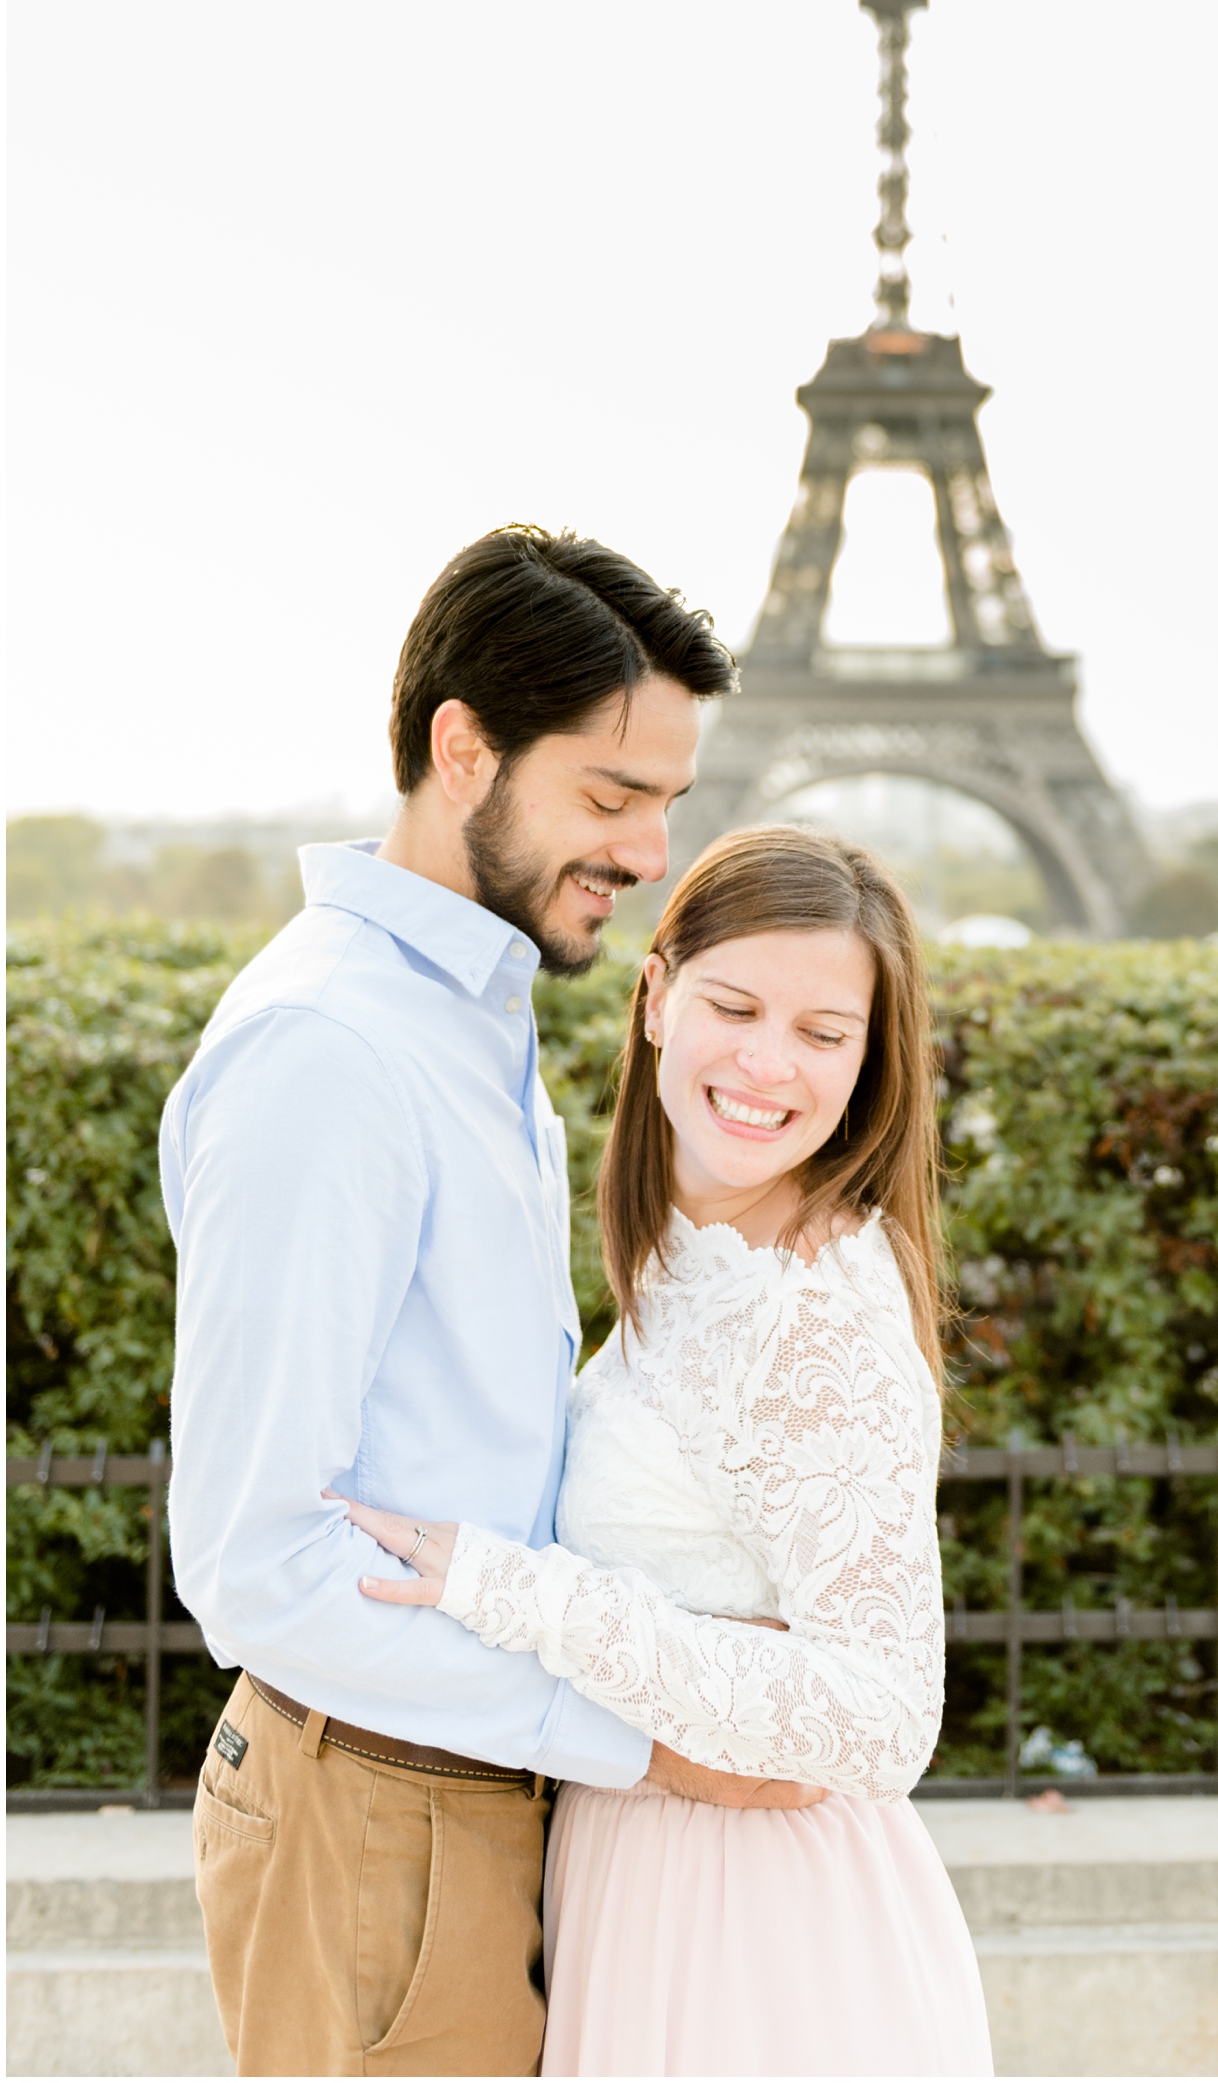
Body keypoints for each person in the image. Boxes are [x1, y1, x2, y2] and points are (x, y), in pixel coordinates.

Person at [162, 527, 824, 2082]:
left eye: (669, 800)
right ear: (464, 749)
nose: (654, 852)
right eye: (610, 797)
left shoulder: (469, 1019)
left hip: (477, 1778)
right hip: (385, 1800)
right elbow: (258, 1560)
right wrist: (650, 1738)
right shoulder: (336, 1051)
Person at [341, 824, 994, 2078]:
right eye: (735, 1004)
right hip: (654, 1878)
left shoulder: (813, 1307)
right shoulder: (690, 1257)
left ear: (870, 1062)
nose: (768, 1061)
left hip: (760, 1929)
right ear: (655, 998)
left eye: (823, 1032)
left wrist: (518, 1591)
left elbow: (882, 1717)